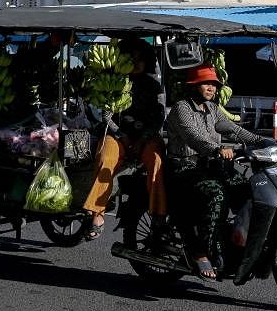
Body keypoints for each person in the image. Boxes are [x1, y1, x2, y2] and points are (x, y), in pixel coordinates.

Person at [166, 63, 263, 281]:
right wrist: (216, 149)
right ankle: (203, 251)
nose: (211, 88)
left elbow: (233, 129)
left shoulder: (212, 109)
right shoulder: (182, 108)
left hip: (209, 164)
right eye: (206, 84)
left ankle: (237, 243)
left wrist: (260, 141)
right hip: (183, 166)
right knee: (216, 194)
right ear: (193, 86)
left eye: (214, 84)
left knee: (245, 190)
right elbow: (193, 136)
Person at [82, 38, 167, 240]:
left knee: (157, 161)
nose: (135, 63)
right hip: (118, 135)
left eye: (140, 59)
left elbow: (158, 117)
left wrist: (142, 138)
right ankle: (97, 213)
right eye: (131, 58)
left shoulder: (153, 86)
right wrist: (123, 136)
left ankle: (158, 213)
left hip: (145, 137)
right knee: (105, 159)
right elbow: (105, 116)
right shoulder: (113, 82)